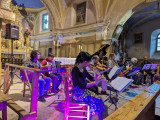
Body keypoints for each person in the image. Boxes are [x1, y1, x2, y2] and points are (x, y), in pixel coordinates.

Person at [72, 52, 105, 120]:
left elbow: (91, 78)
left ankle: (92, 117)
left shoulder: (83, 69)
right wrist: (95, 82)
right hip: (77, 94)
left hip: (83, 92)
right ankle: (89, 117)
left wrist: (97, 76)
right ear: (84, 61)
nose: (89, 63)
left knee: (99, 99)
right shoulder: (75, 70)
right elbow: (81, 86)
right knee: (96, 101)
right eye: (89, 61)